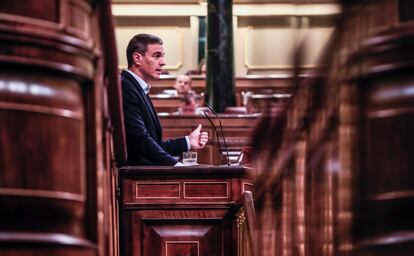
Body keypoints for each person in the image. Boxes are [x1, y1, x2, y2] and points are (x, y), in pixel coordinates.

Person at [121, 33, 208, 166]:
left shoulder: (137, 87)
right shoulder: (125, 86)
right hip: (139, 178)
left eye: (162, 56)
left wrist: (188, 141)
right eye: (156, 56)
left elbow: (153, 144)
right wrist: (176, 166)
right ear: (137, 58)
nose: (163, 62)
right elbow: (140, 141)